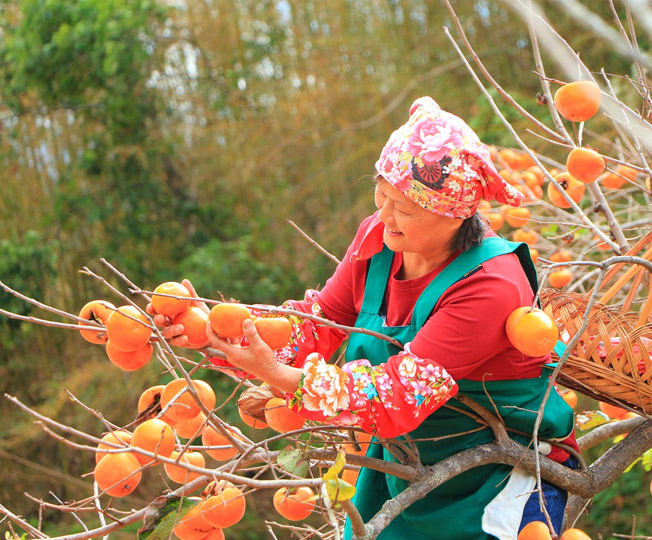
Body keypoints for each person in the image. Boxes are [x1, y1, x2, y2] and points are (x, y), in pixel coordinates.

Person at [156, 97, 577, 540]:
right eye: (382, 195)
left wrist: (280, 376)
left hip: (501, 478)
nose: (385, 217)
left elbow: (394, 397)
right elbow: (319, 323)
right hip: (407, 471)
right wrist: (218, 333)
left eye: (406, 209)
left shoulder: (490, 285)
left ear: (455, 215)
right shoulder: (378, 239)